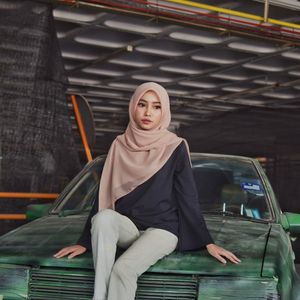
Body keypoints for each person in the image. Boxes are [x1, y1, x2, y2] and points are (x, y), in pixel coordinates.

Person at [54, 82, 241, 300]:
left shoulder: (175, 146)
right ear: (133, 107)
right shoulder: (119, 145)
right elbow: (104, 194)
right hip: (129, 228)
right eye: (142, 104)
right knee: (103, 218)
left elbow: (187, 196)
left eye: (156, 107)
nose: (148, 112)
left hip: (162, 230)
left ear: (164, 112)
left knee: (123, 269)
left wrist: (206, 241)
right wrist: (85, 241)